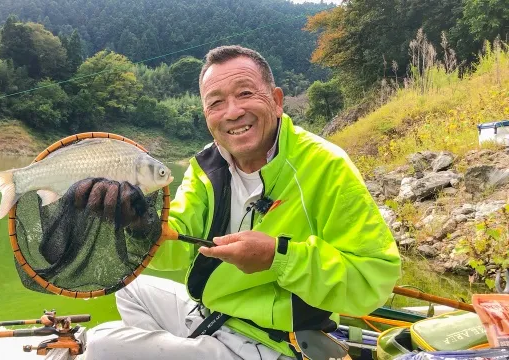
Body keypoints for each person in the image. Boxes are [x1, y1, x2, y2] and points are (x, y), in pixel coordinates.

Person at [80, 45, 401, 360]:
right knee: (129, 289)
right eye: (216, 102)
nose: (232, 112)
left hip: (273, 341)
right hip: (212, 314)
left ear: (276, 101)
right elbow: (173, 247)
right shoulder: (206, 166)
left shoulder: (326, 166)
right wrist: (139, 223)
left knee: (100, 343)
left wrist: (278, 257)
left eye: (245, 94)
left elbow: (372, 283)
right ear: (206, 115)